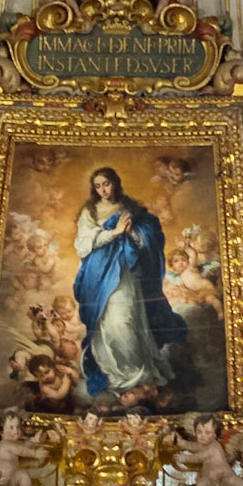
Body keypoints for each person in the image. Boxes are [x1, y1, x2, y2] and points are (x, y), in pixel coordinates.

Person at [72, 167, 186, 404]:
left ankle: (136, 375)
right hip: (99, 273)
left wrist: (132, 232)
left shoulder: (130, 207)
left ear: (115, 183)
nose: (103, 190)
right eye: (98, 186)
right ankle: (117, 375)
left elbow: (150, 234)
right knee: (107, 322)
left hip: (126, 271)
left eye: (107, 184)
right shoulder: (89, 211)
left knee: (125, 321)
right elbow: (83, 243)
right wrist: (113, 233)